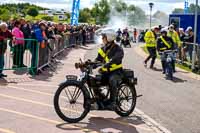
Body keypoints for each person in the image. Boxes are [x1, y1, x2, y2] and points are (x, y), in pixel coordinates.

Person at [95, 33, 124, 110]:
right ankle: (102, 98)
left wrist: (108, 63)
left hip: (116, 72)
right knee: (93, 81)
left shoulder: (118, 48)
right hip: (105, 73)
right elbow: (98, 60)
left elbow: (117, 58)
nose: (102, 39)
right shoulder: (103, 48)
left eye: (103, 37)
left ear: (109, 38)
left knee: (112, 80)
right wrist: (89, 64)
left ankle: (113, 103)